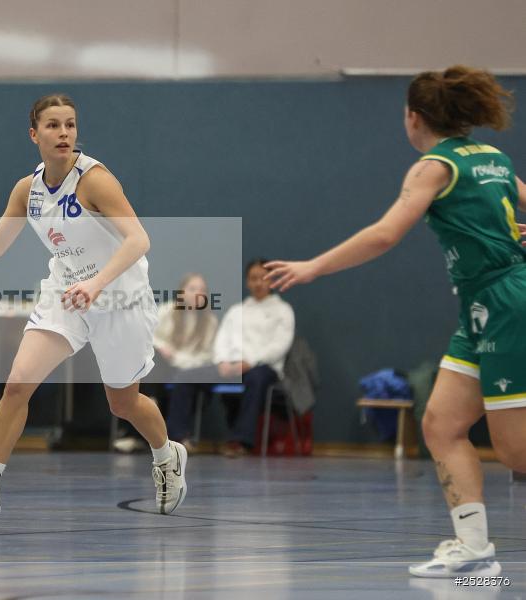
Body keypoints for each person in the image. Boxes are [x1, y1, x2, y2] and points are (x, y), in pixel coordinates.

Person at [265, 65, 526, 578]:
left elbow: (385, 234)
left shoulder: (433, 166)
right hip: (481, 304)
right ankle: (473, 547)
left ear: (414, 117)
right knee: (441, 423)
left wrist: (314, 265)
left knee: (516, 451)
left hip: (503, 302)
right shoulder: (492, 157)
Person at [0, 94, 188, 519]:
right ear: (34, 134)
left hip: (119, 296)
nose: (64, 133)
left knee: (123, 404)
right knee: (18, 383)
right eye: (53, 125)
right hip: (66, 293)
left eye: (70, 125)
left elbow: (138, 240)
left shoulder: (95, 180)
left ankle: (167, 456)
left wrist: (96, 283)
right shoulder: (28, 189)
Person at [166, 259, 294, 456]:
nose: (258, 283)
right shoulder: (237, 311)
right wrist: (223, 362)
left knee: (256, 378)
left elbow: (279, 345)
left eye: (263, 278)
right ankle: (178, 438)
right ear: (247, 282)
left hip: (262, 367)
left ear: (272, 281)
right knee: (186, 376)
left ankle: (240, 442)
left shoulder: (283, 311)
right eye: (253, 278)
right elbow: (222, 340)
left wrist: (249, 362)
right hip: (229, 366)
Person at [116, 272, 218, 453]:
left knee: (184, 378)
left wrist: (178, 358)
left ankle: (175, 437)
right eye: (192, 289)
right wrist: (163, 348)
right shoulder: (166, 310)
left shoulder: (210, 322)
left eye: (202, 290)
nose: (197, 293)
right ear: (181, 292)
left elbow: (206, 356)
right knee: (149, 361)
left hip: (188, 369)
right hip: (162, 364)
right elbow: (149, 336)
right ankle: (140, 422)